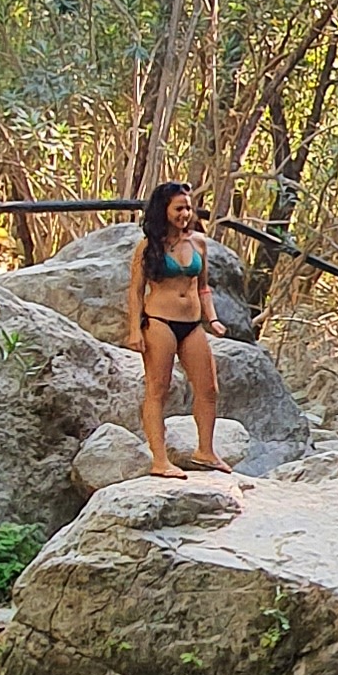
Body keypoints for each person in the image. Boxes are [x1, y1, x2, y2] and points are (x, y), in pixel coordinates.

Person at [129, 177, 225, 472]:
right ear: (164, 210)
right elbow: (135, 291)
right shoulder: (148, 247)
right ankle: (160, 460)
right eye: (178, 208)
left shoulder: (198, 243)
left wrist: (213, 319)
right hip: (160, 322)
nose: (185, 214)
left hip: (192, 324)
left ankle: (206, 451)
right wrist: (134, 330)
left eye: (188, 208)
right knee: (158, 389)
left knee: (208, 388)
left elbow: (203, 287)